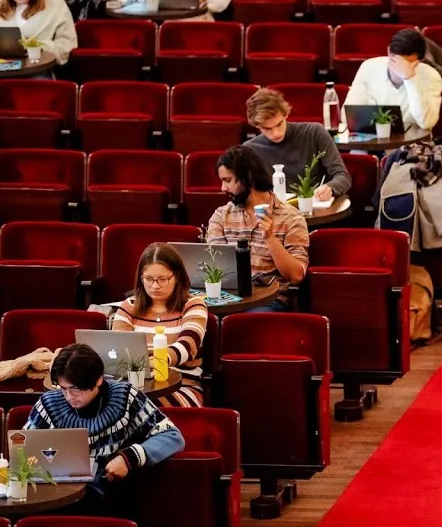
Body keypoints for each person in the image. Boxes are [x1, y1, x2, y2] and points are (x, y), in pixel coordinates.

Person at [25, 344, 185, 483]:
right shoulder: (48, 403)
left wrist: (128, 458)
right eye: (63, 388)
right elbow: (23, 450)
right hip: (59, 489)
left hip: (109, 490)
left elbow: (172, 436)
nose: (69, 397)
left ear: (98, 380)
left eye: (76, 389)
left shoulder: (126, 397)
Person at [206, 146, 309, 311]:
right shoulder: (221, 216)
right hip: (227, 297)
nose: (222, 188)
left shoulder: (292, 218)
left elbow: (296, 276)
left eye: (227, 180)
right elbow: (215, 265)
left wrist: (270, 238)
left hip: (268, 301)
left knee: (247, 323)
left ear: (248, 178)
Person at [110, 243, 208, 407]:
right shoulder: (128, 307)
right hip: (136, 386)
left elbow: (188, 345)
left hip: (182, 386)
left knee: (139, 406)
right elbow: (119, 349)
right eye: (148, 279)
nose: (155, 286)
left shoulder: (193, 305)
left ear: (176, 277)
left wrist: (159, 360)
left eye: (162, 279)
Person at [244, 88, 352, 202]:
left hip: (317, 209)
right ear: (257, 125)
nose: (275, 133)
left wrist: (330, 188)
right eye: (267, 128)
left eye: (279, 124)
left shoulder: (314, 132)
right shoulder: (250, 150)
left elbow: (342, 176)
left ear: (285, 115)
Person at [342, 28, 442, 132]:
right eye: (395, 60)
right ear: (389, 52)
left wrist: (410, 79)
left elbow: (426, 123)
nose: (398, 68)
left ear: (419, 61)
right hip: (372, 141)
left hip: (414, 144)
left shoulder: (431, 75)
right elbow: (348, 116)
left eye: (407, 64)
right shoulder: (369, 67)